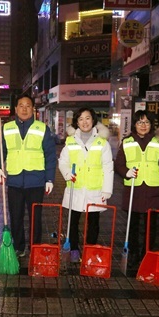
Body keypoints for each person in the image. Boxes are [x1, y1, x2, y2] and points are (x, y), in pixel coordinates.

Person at [0, 94, 57, 257]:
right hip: (14, 180)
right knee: (15, 216)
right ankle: (19, 246)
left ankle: (34, 246)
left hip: (36, 181)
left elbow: (50, 155)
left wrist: (50, 178)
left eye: (27, 105)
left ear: (33, 109)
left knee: (35, 217)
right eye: (21, 105)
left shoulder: (42, 128)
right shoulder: (7, 128)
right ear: (15, 109)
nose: (24, 108)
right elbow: (0, 150)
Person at [114, 110, 159, 268]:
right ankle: (132, 253)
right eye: (140, 122)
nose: (143, 125)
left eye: (147, 122)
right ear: (134, 124)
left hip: (154, 190)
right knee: (132, 224)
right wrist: (126, 172)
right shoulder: (127, 142)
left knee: (150, 225)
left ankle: (146, 254)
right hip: (134, 189)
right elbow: (119, 164)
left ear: (151, 125)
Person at [58, 107, 114, 262]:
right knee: (72, 221)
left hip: (95, 189)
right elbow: (63, 161)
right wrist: (67, 173)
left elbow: (108, 166)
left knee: (94, 222)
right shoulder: (70, 141)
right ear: (77, 122)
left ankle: (90, 249)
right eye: (81, 119)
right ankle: (74, 249)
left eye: (87, 118)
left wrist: (107, 190)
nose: (84, 122)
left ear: (93, 120)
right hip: (75, 188)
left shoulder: (102, 142)